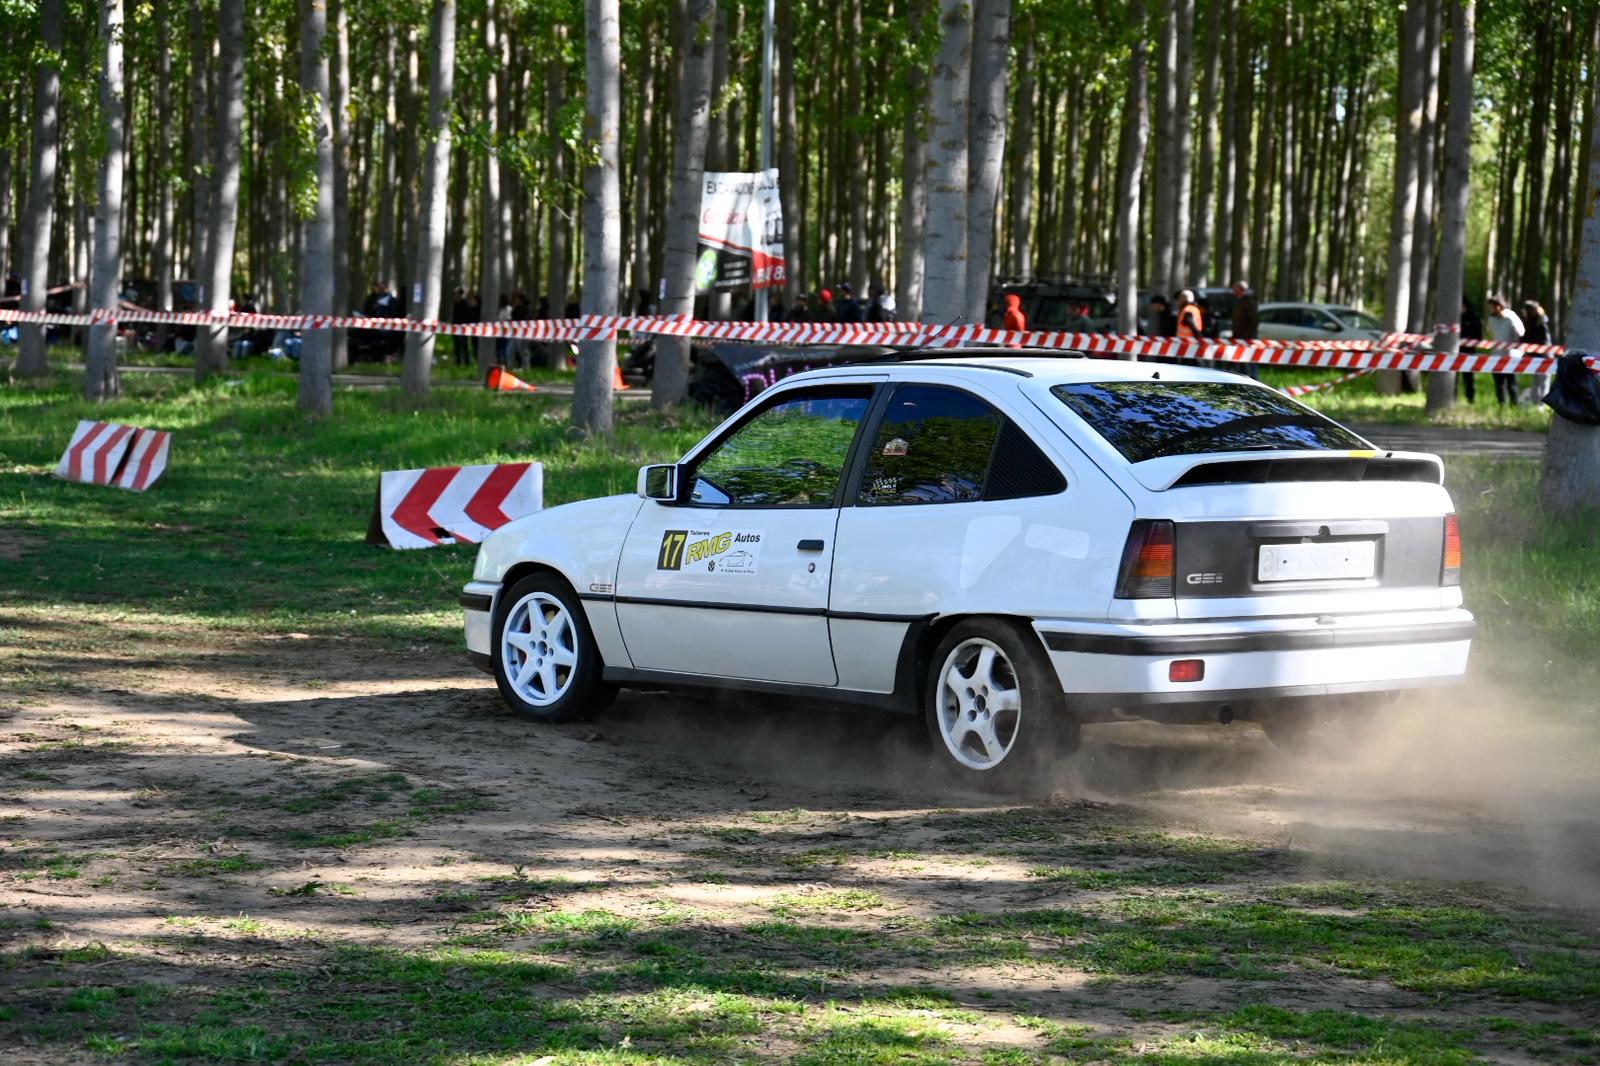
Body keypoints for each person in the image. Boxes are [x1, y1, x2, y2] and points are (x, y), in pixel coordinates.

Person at [1485, 294, 1524, 406]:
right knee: (1499, 384)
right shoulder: (1492, 319)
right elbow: (1491, 334)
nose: (1490, 309)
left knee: (1512, 383)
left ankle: (1514, 406)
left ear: (1499, 306)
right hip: (1496, 355)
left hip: (1511, 355)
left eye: (1492, 306)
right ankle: (1501, 405)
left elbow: (1521, 334)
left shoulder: (1511, 317)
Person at [1520, 299, 1552, 404]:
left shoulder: (1542, 324)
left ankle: (1542, 404)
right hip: (1533, 357)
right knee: (1535, 381)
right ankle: (1535, 404)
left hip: (1544, 357)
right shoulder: (1528, 323)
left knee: (1543, 382)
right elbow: (1526, 339)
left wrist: (1547, 357)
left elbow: (1545, 342)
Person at [1229, 281, 1260, 379]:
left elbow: (1254, 320)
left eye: (1234, 289)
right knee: (1242, 364)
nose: (1233, 292)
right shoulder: (1242, 301)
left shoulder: (1248, 301)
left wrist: (1246, 336)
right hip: (1241, 338)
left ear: (1240, 289)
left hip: (1247, 339)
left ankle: (1255, 385)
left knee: (1250, 364)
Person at [1457, 297, 1484, 404]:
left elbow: (1479, 337)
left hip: (1469, 351)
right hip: (1455, 351)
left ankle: (1470, 398)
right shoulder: (1456, 318)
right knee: (1453, 376)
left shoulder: (1474, 318)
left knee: (1468, 377)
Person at [450, 288, 473, 367]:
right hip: (455, 328)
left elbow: (468, 316)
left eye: (456, 293)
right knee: (456, 345)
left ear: (460, 294)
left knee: (464, 345)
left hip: (463, 328)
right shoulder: (455, 303)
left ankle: (467, 362)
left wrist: (464, 326)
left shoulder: (464, 304)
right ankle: (458, 362)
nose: (455, 295)